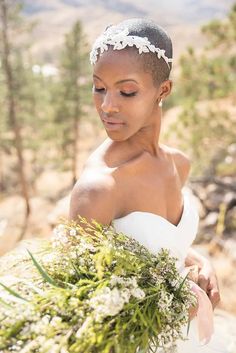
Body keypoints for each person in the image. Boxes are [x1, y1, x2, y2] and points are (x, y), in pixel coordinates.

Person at [69, 18, 224, 352]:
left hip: (194, 340)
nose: (107, 105)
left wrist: (199, 262)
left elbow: (162, 247)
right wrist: (172, 296)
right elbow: (79, 306)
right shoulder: (99, 188)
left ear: (163, 90)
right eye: (99, 87)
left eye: (126, 91)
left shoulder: (178, 163)